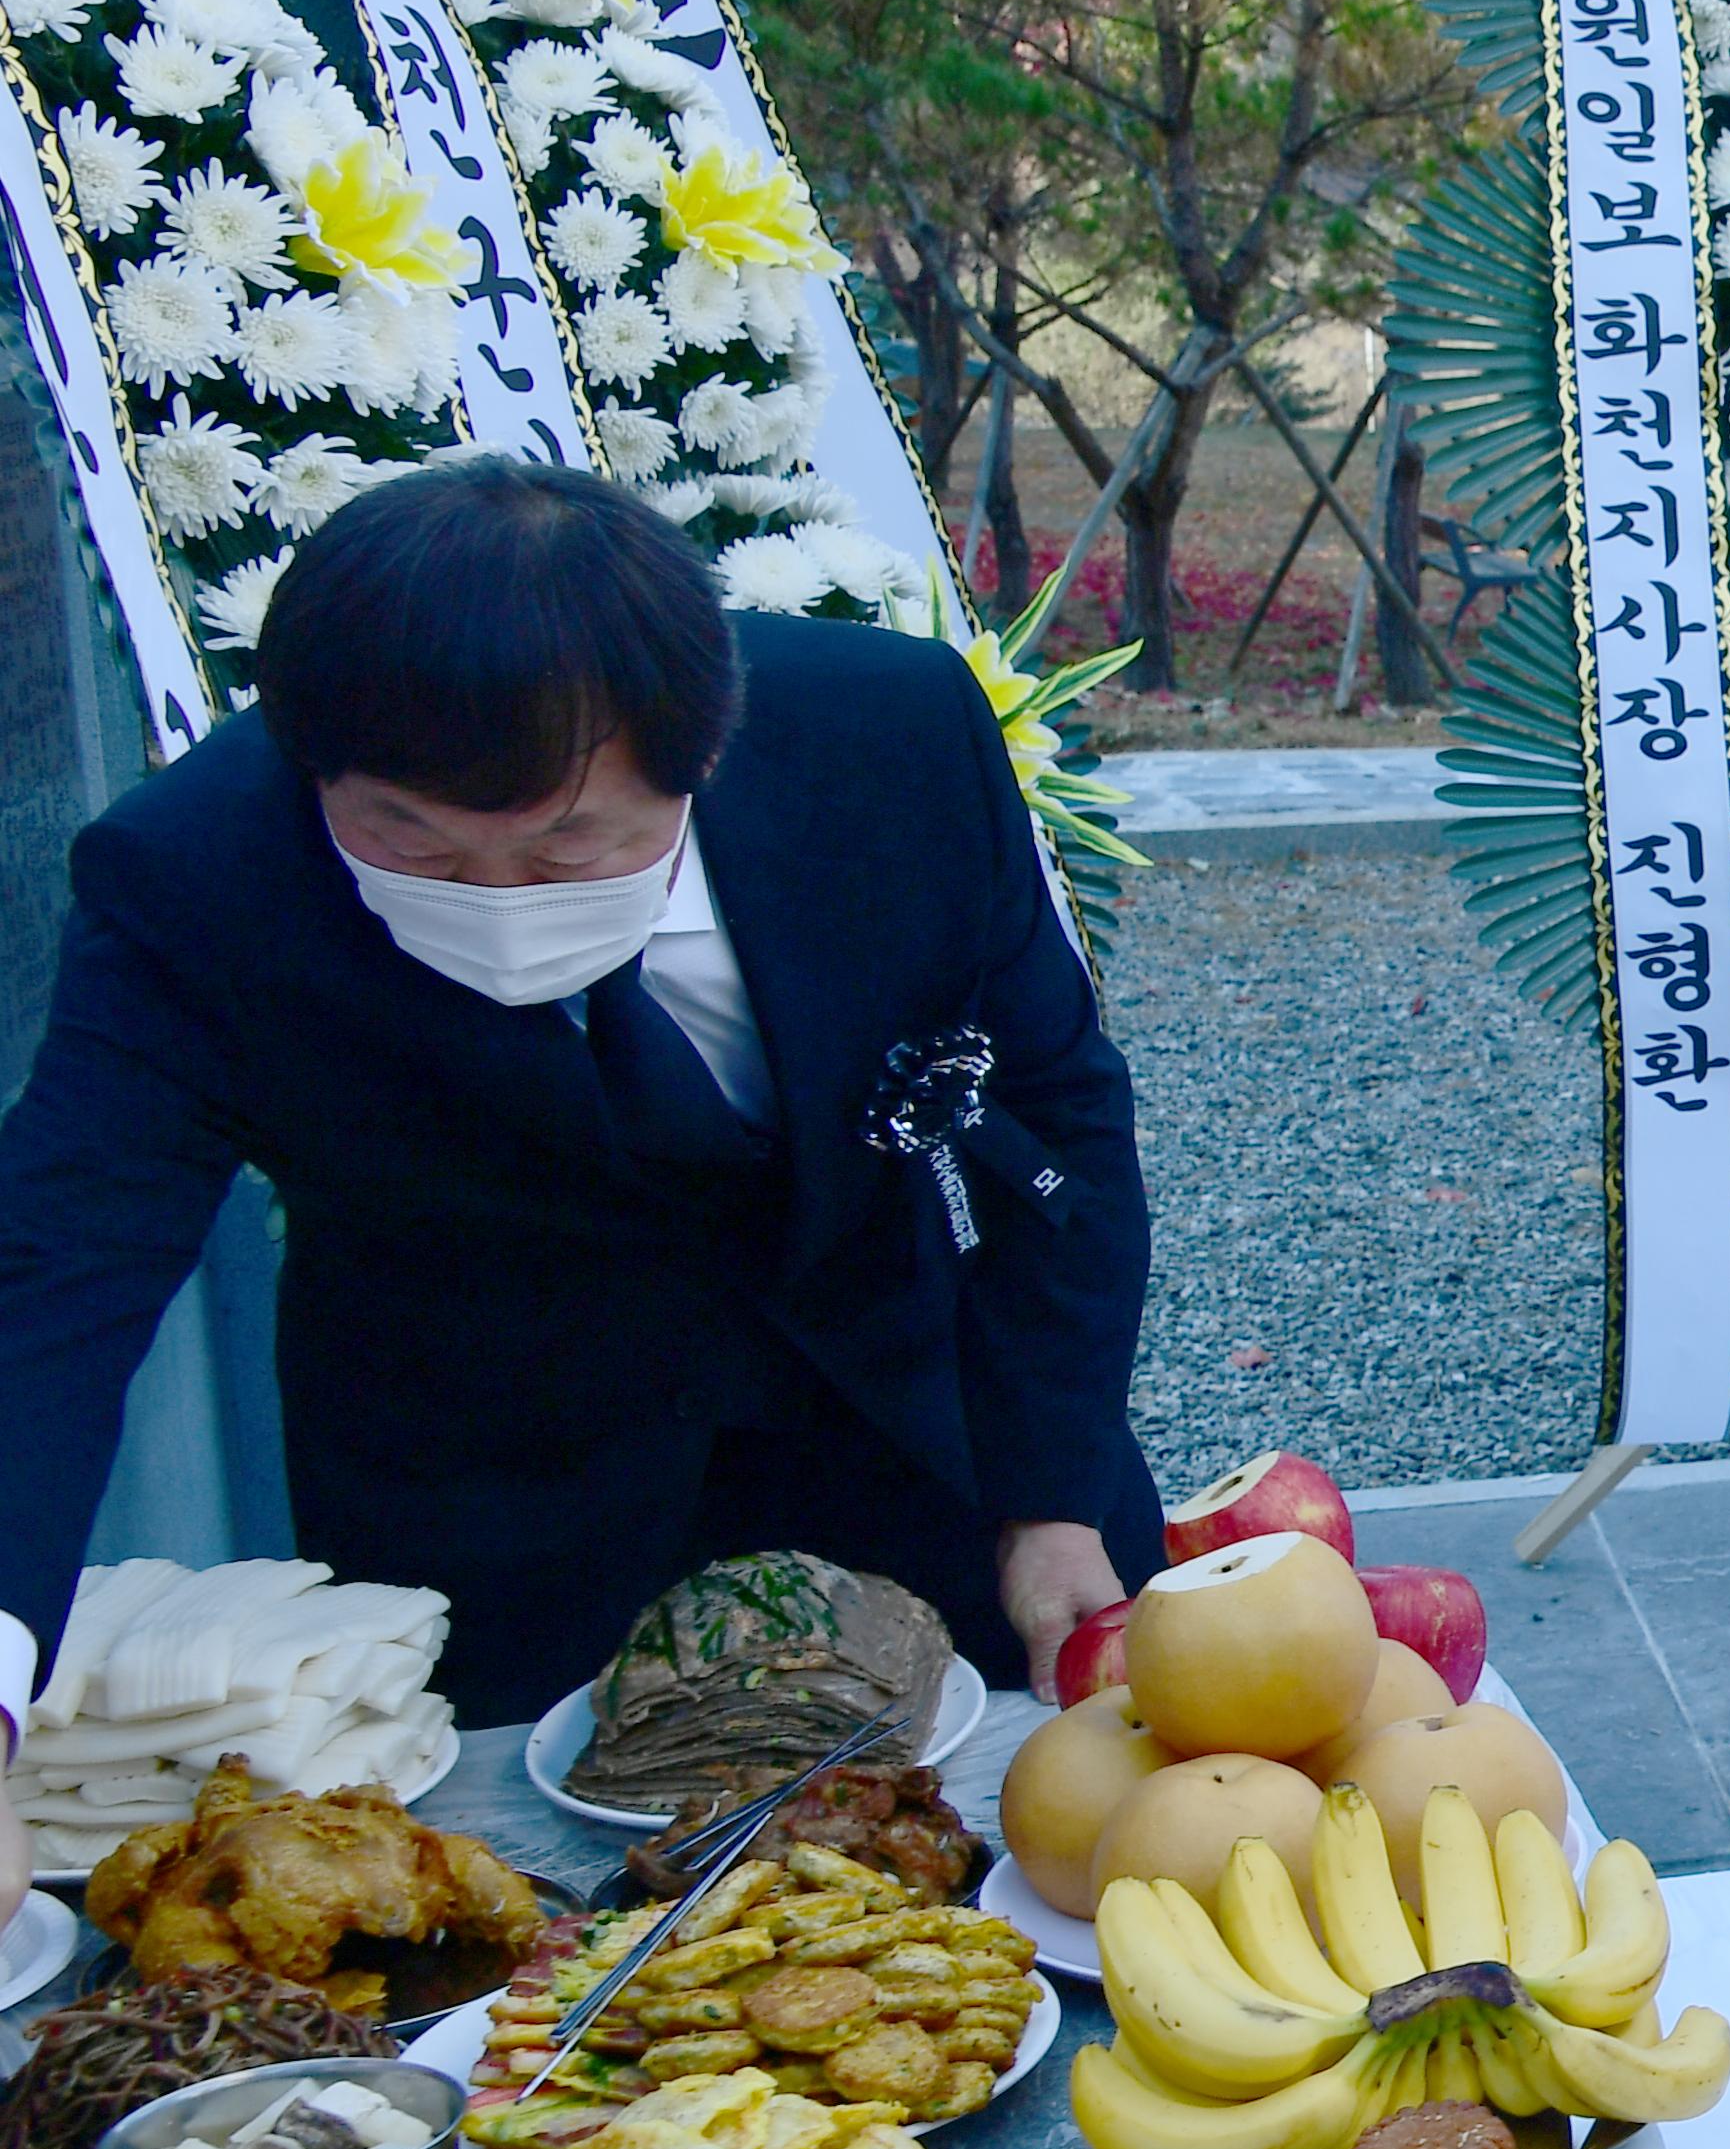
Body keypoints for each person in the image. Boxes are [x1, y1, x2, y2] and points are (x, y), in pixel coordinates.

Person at [0, 458, 1161, 1726]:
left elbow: (1057, 1116)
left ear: (703, 755)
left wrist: (1048, 1498)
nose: (499, 897)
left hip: (928, 1444)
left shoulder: (884, 744)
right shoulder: (196, 875)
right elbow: (58, 1262)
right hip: (501, 1506)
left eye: (572, 844)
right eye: (412, 842)